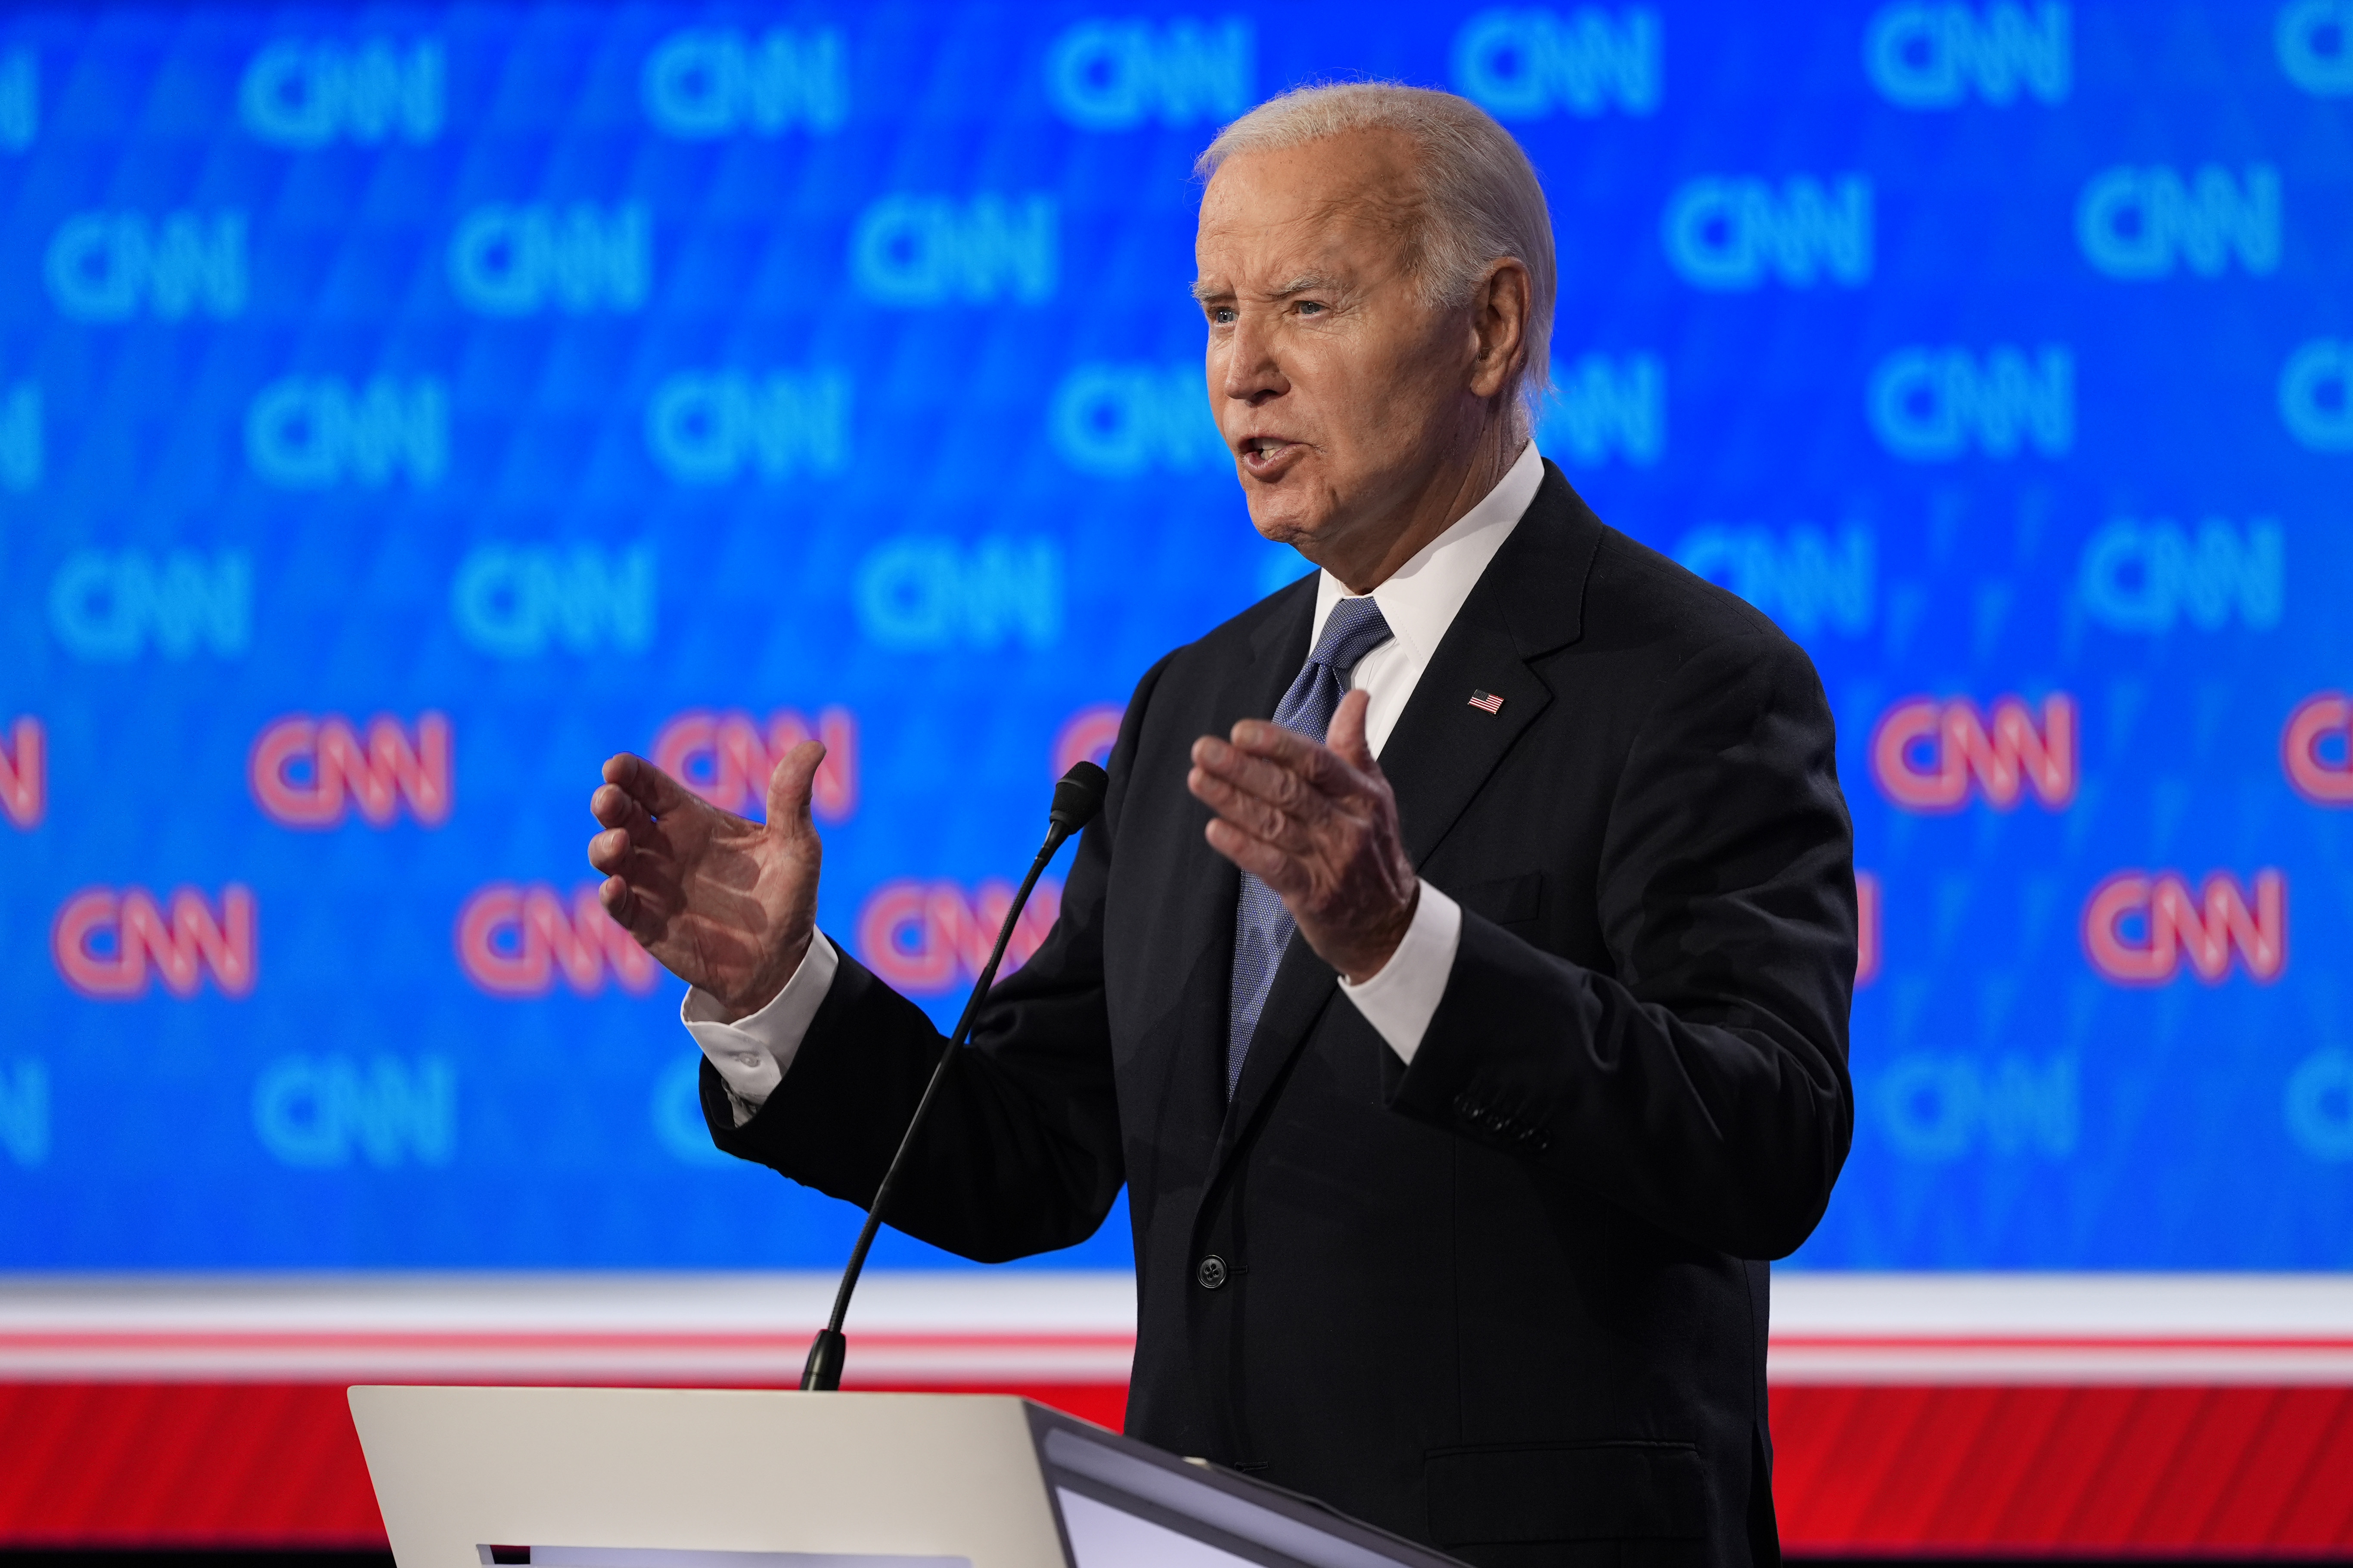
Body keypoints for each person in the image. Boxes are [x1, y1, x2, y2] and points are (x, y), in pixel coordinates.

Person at [588, 82, 1856, 1568]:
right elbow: (1034, 1149)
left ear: (1492, 328)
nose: (1241, 372)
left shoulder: (1691, 680)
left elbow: (1765, 1140)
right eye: (1215, 310)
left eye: (1307, 304)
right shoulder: (1197, 698)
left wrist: (1404, 947)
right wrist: (777, 996)